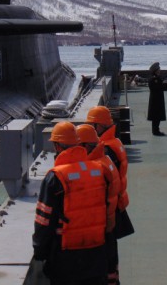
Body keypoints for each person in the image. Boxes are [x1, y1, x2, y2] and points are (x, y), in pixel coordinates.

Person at [33, 122, 108, 285]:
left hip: (66, 258)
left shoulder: (56, 177)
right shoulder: (98, 170)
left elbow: (44, 220)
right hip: (96, 253)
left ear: (57, 146)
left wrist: (39, 251)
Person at [86, 106, 135, 284]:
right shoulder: (114, 142)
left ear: (99, 126)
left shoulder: (106, 149)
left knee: (107, 252)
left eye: (92, 125)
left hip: (110, 209)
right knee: (110, 254)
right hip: (118, 202)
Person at [77, 124, 121, 285]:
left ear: (85, 146)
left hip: (97, 234)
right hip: (109, 228)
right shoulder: (105, 159)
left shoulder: (94, 169)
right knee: (110, 273)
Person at [147, 62, 166, 136]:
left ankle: (156, 130)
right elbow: (157, 87)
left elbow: (160, 86)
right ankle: (155, 131)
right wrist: (166, 85)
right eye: (159, 69)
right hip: (155, 100)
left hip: (157, 99)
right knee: (156, 116)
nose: (160, 70)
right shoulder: (154, 79)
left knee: (157, 116)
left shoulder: (157, 78)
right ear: (155, 70)